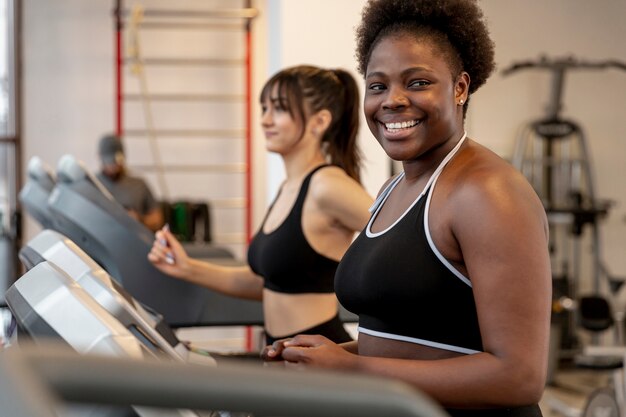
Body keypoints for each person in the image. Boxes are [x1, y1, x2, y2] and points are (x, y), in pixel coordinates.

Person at [261, 1, 552, 416]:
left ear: (460, 87)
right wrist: (321, 355)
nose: (393, 101)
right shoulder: (391, 189)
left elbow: (519, 377)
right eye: (377, 86)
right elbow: (413, 339)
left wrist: (353, 369)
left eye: (417, 83)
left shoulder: (487, 192)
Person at [148, 65, 373, 345]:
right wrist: (187, 267)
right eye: (263, 108)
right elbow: (265, 283)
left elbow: (402, 244)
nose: (265, 120)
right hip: (282, 355)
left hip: (320, 358)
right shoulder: (289, 187)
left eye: (278, 109)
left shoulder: (327, 186)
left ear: (319, 121)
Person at [96, 134, 164, 232]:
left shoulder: (139, 185)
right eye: (110, 162)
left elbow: (157, 220)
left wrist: (139, 219)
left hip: (133, 240)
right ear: (100, 157)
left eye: (117, 161)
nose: (114, 166)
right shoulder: (91, 185)